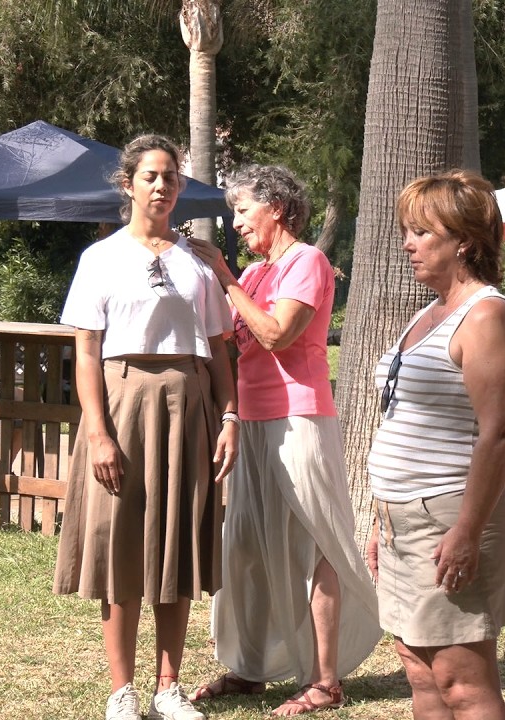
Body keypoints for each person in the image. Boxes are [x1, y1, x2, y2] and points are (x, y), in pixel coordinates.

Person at [52, 134, 238, 720]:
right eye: (152, 176)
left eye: (172, 177)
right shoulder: (100, 259)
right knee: (122, 543)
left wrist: (229, 416)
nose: (163, 186)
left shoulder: (196, 262)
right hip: (122, 401)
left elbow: (219, 348)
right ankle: (122, 690)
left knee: (176, 541)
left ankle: (168, 686)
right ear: (128, 184)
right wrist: (99, 432)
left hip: (189, 404)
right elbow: (86, 352)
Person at [186, 165, 381, 716]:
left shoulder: (308, 262)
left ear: (276, 207)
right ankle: (249, 669)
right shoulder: (250, 274)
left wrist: (223, 275)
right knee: (245, 543)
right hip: (249, 422)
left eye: (243, 211)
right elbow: (228, 343)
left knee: (314, 545)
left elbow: (276, 334)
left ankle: (325, 680)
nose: (236, 222)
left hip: (300, 421)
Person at [365, 169, 505, 719]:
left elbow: (499, 431)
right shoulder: (431, 311)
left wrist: (467, 532)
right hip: (405, 519)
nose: (407, 244)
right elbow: (404, 419)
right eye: (406, 231)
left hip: (449, 516)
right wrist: (381, 521)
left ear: (464, 241)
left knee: (463, 683)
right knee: (420, 671)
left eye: (422, 232)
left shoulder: (486, 315)